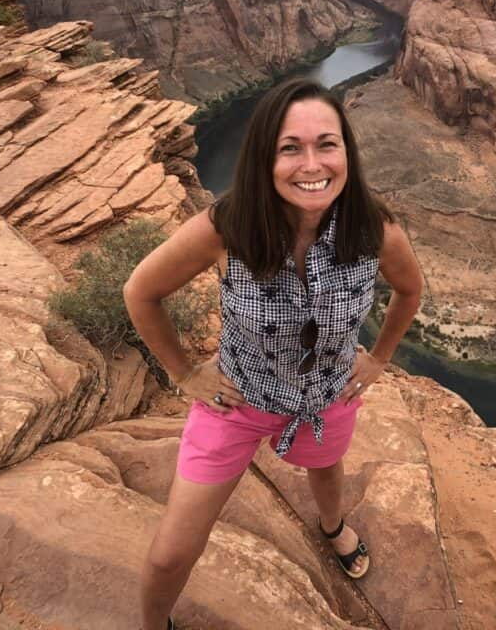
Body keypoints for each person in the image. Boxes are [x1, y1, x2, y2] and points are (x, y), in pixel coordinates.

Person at [124, 77, 423, 630]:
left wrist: (378, 357)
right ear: (266, 157)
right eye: (291, 148)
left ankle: (331, 528)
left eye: (326, 144)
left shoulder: (373, 229)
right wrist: (184, 372)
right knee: (170, 553)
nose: (312, 164)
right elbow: (140, 292)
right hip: (238, 400)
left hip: (327, 395)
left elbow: (410, 290)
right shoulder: (227, 229)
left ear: (346, 153)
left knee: (326, 468)